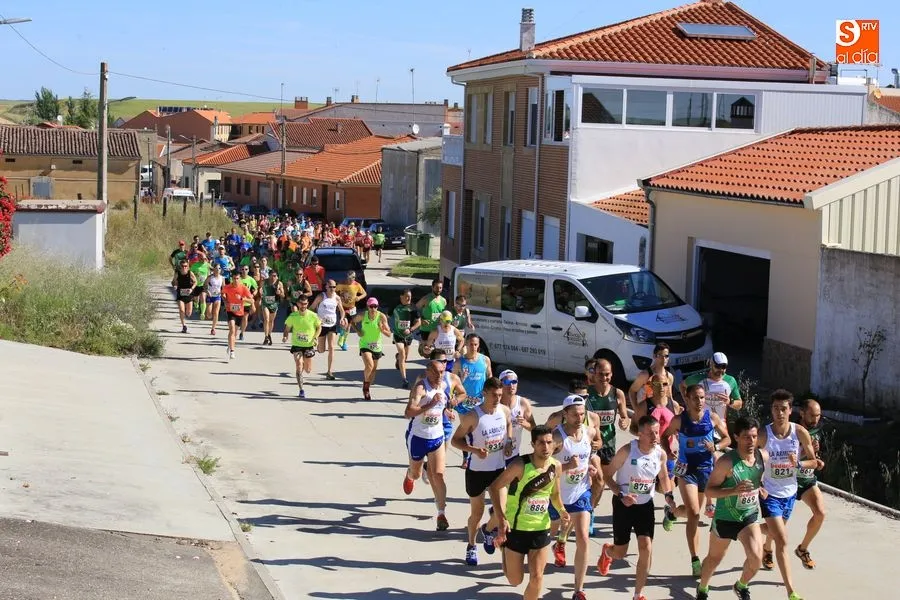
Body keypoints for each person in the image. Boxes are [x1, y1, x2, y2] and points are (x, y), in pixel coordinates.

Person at [597, 415, 676, 600]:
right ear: (640, 434)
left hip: (644, 506)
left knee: (646, 547)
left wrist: (669, 495)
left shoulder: (660, 454)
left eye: (657, 432)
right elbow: (607, 476)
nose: (655, 437)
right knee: (620, 552)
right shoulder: (627, 451)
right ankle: (608, 551)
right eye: (650, 433)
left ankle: (638, 594)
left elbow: (663, 478)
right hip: (624, 505)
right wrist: (621, 494)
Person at [489, 425, 569, 600]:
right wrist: (501, 519)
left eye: (549, 442)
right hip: (517, 528)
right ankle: (504, 549)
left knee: (537, 577)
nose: (546, 447)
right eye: (541, 443)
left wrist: (562, 510)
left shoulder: (556, 466)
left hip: (541, 528)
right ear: (533, 444)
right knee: (515, 580)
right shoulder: (520, 465)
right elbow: (494, 487)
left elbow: (554, 494)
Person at [695, 416, 769, 600]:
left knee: (756, 558)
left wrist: (760, 487)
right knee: (714, 559)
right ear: (736, 437)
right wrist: (734, 490)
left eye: (753, 436)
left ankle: (741, 584)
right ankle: (703, 588)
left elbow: (755, 478)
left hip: (749, 517)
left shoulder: (762, 456)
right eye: (746, 437)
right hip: (725, 518)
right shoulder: (726, 463)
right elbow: (710, 490)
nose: (750, 441)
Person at [661, 384, 732, 577]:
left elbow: (728, 439)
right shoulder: (679, 420)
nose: (699, 402)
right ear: (688, 400)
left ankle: (673, 513)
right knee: (693, 513)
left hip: (706, 471)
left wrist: (715, 446)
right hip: (686, 470)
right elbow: (664, 436)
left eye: (702, 398)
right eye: (695, 398)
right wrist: (668, 452)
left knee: (694, 512)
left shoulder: (712, 418)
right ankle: (694, 559)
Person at [758, 390, 820, 600]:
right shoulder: (763, 434)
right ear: (771, 410)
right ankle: (791, 591)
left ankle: (750, 531)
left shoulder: (800, 432)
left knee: (774, 532)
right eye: (775, 408)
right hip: (769, 493)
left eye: (783, 408)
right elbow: (747, 457)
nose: (779, 413)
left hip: (790, 493)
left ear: (790, 410)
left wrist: (799, 464)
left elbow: (814, 462)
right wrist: (756, 481)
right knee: (782, 541)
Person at [451, 377, 512, 566]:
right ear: (484, 393)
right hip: (477, 470)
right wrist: (474, 451)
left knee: (502, 512)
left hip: (498, 470)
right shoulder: (473, 416)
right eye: (494, 395)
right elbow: (456, 441)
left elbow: (509, 426)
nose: (497, 399)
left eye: (500, 395)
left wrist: (508, 442)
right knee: (476, 513)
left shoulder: (505, 411)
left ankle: (488, 530)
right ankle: (471, 545)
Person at [549, 395, 602, 600]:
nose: (579, 418)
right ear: (565, 414)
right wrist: (567, 467)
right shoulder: (557, 437)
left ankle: (578, 590)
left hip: (580, 492)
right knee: (549, 535)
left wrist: (589, 468)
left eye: (582, 414)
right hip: (557, 497)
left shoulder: (589, 432)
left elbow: (589, 452)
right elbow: (544, 468)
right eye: (574, 414)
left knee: (583, 538)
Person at [681, 351, 742, 519]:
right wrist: (687, 404)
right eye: (717, 367)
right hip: (700, 427)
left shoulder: (730, 381)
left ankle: (707, 502)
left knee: (715, 463)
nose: (720, 371)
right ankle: (710, 503)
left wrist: (729, 402)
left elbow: (739, 404)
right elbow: (683, 385)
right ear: (711, 364)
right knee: (714, 461)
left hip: (719, 426)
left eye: (724, 368)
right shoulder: (698, 379)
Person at [403, 357, 453, 531]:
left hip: (437, 437)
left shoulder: (445, 386)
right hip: (418, 437)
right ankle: (410, 474)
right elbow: (408, 412)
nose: (441, 375)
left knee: (438, 474)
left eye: (442, 372)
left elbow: (442, 405)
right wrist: (430, 403)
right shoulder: (420, 388)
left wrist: (447, 411)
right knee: (417, 475)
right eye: (437, 372)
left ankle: (441, 513)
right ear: (428, 372)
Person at [793, 398, 826, 570]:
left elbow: (812, 457)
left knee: (820, 513)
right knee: (776, 525)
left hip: (807, 480)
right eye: (812, 416)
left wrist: (817, 459)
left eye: (818, 416)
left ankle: (802, 549)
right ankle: (767, 548)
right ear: (802, 413)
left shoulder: (816, 430)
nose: (815, 420)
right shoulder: (791, 430)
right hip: (788, 481)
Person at [351, 297, 391, 400]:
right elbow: (352, 321)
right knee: (369, 365)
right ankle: (365, 388)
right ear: (367, 307)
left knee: (373, 371)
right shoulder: (363, 315)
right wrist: (358, 331)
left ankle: (368, 383)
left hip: (377, 346)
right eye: (371, 306)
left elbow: (389, 334)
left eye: (375, 306)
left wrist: (382, 330)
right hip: (365, 344)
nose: (373, 308)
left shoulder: (381, 317)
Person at [282, 296, 322, 399]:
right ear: (298, 304)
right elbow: (287, 328)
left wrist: (316, 338)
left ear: (307, 304)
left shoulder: (313, 316)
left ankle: (304, 363)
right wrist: (285, 335)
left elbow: (319, 327)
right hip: (297, 345)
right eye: (301, 303)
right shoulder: (293, 316)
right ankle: (301, 390)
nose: (303, 306)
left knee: (308, 370)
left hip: (309, 345)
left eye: (305, 304)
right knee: (299, 366)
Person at [628, 342, 674, 427]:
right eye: (660, 355)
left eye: (666, 356)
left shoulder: (669, 376)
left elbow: (669, 396)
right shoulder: (645, 375)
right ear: (654, 356)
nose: (663, 359)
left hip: (662, 411)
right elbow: (632, 391)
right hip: (647, 411)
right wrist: (636, 410)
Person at [310, 279, 346, 381]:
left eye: (334, 287)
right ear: (326, 287)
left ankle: (329, 371)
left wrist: (342, 318)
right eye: (330, 287)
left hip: (332, 325)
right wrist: (313, 319)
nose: (332, 289)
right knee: (321, 350)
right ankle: (317, 347)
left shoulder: (337, 298)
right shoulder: (321, 296)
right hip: (321, 326)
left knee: (331, 347)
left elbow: (342, 311)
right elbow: (312, 308)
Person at [391, 289, 421, 388]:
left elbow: (419, 322)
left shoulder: (413, 308)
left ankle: (398, 358)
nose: (409, 298)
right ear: (401, 297)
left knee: (405, 357)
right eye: (407, 296)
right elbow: (386, 315)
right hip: (397, 334)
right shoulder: (395, 306)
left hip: (408, 336)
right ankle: (405, 380)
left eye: (410, 297)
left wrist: (411, 329)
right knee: (402, 353)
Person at [221, 276, 254, 360]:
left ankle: (230, 345)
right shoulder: (227, 287)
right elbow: (222, 293)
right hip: (230, 311)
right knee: (232, 329)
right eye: (234, 279)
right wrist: (225, 301)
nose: (235, 280)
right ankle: (232, 351)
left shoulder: (243, 288)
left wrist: (242, 298)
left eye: (237, 279)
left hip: (239, 312)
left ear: (240, 279)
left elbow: (251, 300)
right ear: (232, 279)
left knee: (234, 332)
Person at [336, 271, 367, 351]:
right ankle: (341, 338)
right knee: (344, 323)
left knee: (349, 326)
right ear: (347, 277)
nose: (351, 280)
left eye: (353, 278)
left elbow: (364, 293)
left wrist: (359, 298)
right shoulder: (341, 284)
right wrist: (337, 299)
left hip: (352, 308)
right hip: (343, 307)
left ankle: (344, 342)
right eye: (349, 278)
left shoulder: (357, 285)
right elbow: (335, 291)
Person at [416, 279, 446, 357]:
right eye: (436, 287)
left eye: (440, 288)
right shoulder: (426, 299)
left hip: (437, 330)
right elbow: (415, 308)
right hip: (426, 329)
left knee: (436, 352)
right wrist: (421, 319)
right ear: (432, 287)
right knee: (426, 353)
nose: (439, 290)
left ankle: (434, 368)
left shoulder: (443, 301)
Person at [259, 270, 284, 346]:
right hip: (265, 303)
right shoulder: (264, 282)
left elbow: (283, 295)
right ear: (269, 276)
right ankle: (266, 336)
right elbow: (260, 289)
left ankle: (269, 335)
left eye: (275, 276)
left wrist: (279, 293)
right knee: (266, 319)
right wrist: (260, 292)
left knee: (271, 321)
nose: (273, 277)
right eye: (272, 276)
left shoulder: (279, 283)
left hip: (274, 304)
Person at [171, 260, 197, 334]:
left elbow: (195, 282)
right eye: (182, 266)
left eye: (185, 266)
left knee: (188, 313)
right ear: (180, 267)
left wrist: (191, 289)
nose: (184, 268)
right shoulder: (177, 274)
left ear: (188, 266)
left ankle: (186, 311)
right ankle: (184, 326)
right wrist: (175, 285)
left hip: (189, 294)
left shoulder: (190, 273)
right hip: (180, 294)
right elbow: (173, 282)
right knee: (182, 310)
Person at [237, 265, 258, 341]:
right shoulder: (238, 278)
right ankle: (237, 328)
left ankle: (242, 333)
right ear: (240, 270)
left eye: (246, 269)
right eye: (242, 269)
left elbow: (256, 289)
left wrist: (253, 294)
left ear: (248, 270)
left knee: (245, 318)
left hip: (247, 302)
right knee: (238, 318)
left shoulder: (251, 279)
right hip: (238, 301)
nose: (244, 271)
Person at [204, 264, 224, 334]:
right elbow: (205, 285)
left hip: (217, 296)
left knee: (216, 313)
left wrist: (223, 293)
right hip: (210, 296)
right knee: (209, 315)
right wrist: (207, 291)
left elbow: (224, 288)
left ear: (220, 270)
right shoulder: (210, 277)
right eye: (216, 268)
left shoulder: (222, 278)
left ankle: (213, 328)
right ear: (213, 269)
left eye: (219, 268)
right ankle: (210, 316)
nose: (217, 270)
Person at [190, 252, 210, 320]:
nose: (203, 260)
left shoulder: (207, 265)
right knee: (196, 298)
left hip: (203, 285)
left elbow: (211, 271)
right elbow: (190, 273)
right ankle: (196, 306)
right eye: (202, 258)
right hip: (196, 284)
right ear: (199, 259)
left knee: (203, 298)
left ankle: (202, 314)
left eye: (205, 258)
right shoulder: (194, 265)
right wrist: (195, 274)